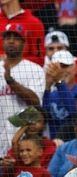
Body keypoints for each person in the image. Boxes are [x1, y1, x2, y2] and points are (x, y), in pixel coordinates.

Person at [0, 23, 45, 157]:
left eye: (16, 38)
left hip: (23, 140)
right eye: (8, 37)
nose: (11, 41)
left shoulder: (34, 69)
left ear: (24, 43)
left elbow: (35, 102)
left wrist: (10, 81)